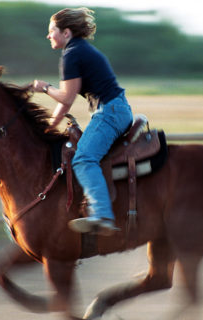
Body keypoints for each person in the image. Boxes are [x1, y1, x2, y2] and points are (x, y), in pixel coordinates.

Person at [31, 7, 133, 235]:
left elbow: (65, 96)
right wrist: (51, 125)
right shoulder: (78, 50)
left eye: (52, 31)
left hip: (109, 112)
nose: (48, 36)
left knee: (83, 159)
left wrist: (45, 87)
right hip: (115, 109)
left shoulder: (72, 54)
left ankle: (102, 215)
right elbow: (67, 102)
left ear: (66, 33)